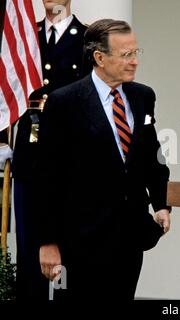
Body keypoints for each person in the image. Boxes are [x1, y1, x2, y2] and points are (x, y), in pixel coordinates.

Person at [36, 18, 171, 300]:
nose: (134, 61)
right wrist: (48, 242)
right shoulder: (65, 102)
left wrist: (161, 203)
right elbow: (48, 177)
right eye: (126, 55)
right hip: (79, 240)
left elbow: (151, 155)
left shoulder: (142, 96)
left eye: (136, 53)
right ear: (99, 57)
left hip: (129, 237)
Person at [12, 0, 91, 300]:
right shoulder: (24, 35)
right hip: (30, 154)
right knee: (30, 251)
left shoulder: (86, 39)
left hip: (69, 158)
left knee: (66, 257)